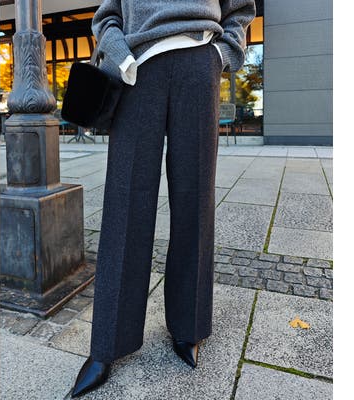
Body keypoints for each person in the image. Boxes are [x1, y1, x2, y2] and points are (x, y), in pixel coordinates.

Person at [71, 0, 256, 397]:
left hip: (199, 62)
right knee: (124, 203)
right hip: (137, 70)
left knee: (195, 199)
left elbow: (240, 9)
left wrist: (221, 56)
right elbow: (107, 17)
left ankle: (189, 326)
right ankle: (106, 345)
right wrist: (120, 55)